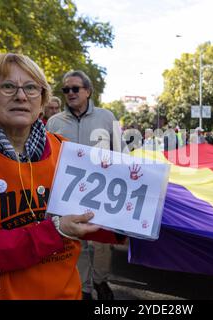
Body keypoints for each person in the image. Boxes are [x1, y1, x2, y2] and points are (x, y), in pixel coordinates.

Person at [0, 53, 118, 300]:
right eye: (7, 86)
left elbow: (91, 219)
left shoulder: (66, 151)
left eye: (31, 88)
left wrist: (138, 213)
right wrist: (54, 232)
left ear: (42, 100)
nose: (21, 95)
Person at [46, 70, 125, 300]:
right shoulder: (53, 122)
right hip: (67, 194)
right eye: (66, 90)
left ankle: (101, 281)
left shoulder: (107, 117)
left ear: (88, 91)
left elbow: (121, 154)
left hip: (102, 192)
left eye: (75, 89)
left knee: (101, 243)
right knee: (74, 240)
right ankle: (84, 288)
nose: (70, 93)